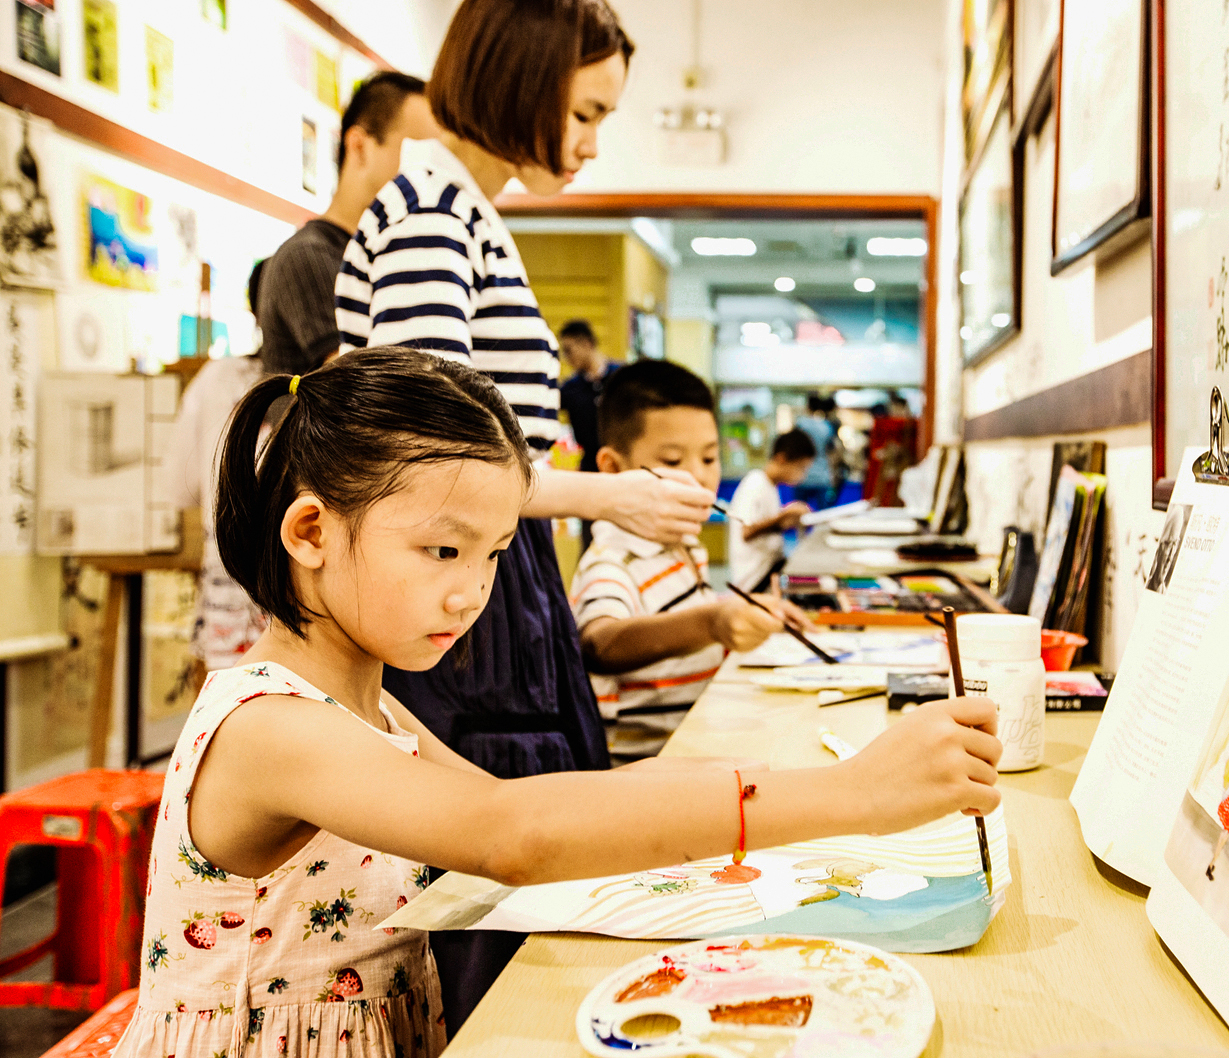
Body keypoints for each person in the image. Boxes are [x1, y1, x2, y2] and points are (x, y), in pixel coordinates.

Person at [112, 347, 1004, 1058]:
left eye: (495, 553)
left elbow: (528, 813)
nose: (473, 593)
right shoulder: (274, 725)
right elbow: (512, 830)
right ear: (310, 531)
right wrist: (854, 797)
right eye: (441, 551)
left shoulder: (371, 705)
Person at [330, 0, 716, 1027]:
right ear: (518, 78)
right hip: (466, 600)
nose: (590, 143)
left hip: (500, 583)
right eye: (583, 112)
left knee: (536, 897)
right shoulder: (429, 212)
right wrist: (616, 494)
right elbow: (437, 462)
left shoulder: (459, 207)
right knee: (502, 915)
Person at [571, 361, 810, 762]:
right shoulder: (611, 562)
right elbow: (600, 643)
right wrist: (712, 624)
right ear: (613, 469)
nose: (699, 478)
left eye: (710, 458)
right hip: (650, 775)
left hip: (704, 740)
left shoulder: (685, 545)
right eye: (672, 460)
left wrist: (745, 612)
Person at [258, 71, 440, 376]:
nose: (428, 173)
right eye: (415, 152)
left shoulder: (383, 254)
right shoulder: (310, 256)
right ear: (359, 146)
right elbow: (363, 387)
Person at [165, 260, 269, 675]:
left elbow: (178, 487)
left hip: (228, 596)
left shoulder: (217, 378)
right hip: (303, 609)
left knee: (229, 722)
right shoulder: (330, 385)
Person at [727, 429, 817, 592]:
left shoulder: (771, 487)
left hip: (770, 571)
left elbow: (766, 527)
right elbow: (746, 532)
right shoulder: (755, 483)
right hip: (755, 580)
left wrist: (785, 522)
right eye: (801, 468)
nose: (802, 476)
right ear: (781, 459)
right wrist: (783, 516)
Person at [558, 319, 620, 474]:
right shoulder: (570, 388)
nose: (567, 358)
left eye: (568, 350)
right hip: (590, 467)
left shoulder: (622, 377)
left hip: (621, 464)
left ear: (586, 344)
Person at [791, 394, 838, 510]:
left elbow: (793, 449)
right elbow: (832, 451)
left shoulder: (800, 425)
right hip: (822, 476)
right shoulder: (826, 426)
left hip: (802, 476)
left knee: (799, 515)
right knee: (823, 515)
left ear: (807, 406)